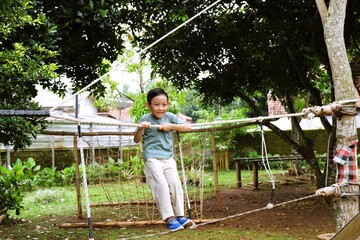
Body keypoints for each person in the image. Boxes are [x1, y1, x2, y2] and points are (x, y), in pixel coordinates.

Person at [133, 87, 194, 231]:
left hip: (168, 158)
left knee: (175, 184)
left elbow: (188, 127)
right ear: (148, 105)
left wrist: (170, 127)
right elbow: (136, 139)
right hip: (152, 158)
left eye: (164, 104)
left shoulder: (170, 117)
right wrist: (141, 128)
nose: (160, 108)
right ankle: (169, 218)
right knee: (161, 185)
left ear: (168, 104)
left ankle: (180, 216)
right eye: (156, 104)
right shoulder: (145, 119)